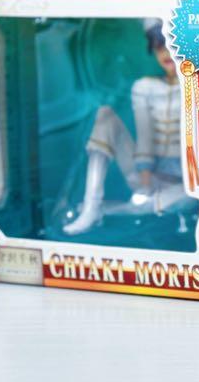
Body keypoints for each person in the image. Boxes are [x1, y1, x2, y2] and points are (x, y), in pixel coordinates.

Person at [64, 20, 188, 235]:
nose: (165, 53)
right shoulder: (144, 87)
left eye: (171, 45)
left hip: (187, 186)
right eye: (158, 46)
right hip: (149, 177)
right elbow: (145, 137)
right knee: (105, 116)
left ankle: (110, 211)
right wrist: (145, 184)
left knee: (158, 204)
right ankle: (92, 205)